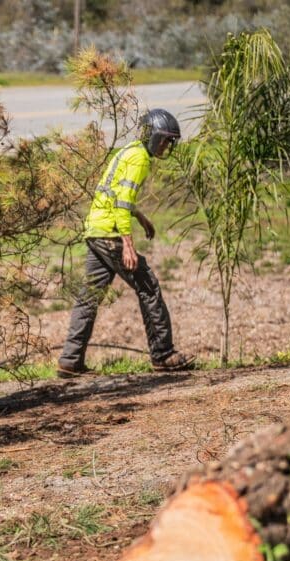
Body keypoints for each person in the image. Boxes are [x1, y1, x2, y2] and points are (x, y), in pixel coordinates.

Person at [58, 108, 193, 378]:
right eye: (166, 140)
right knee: (149, 287)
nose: (168, 146)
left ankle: (70, 361)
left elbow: (115, 193)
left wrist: (140, 216)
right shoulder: (140, 159)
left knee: (90, 296)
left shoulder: (129, 150)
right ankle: (163, 354)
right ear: (154, 137)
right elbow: (120, 202)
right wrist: (128, 244)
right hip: (110, 233)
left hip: (96, 230)